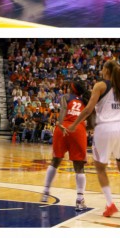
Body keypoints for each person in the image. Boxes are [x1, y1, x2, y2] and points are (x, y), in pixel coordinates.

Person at [67, 61, 120, 218]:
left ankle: (110, 204)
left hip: (105, 128)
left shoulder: (100, 86)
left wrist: (75, 124)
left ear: (107, 71)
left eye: (103, 67)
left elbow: (89, 109)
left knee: (100, 168)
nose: (101, 70)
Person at [42, 80, 90, 211]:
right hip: (78, 129)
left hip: (63, 128)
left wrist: (59, 124)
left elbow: (63, 111)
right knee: (79, 166)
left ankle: (45, 193)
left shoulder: (66, 97)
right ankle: (80, 200)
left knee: (55, 161)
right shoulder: (86, 100)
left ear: (72, 89)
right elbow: (92, 120)